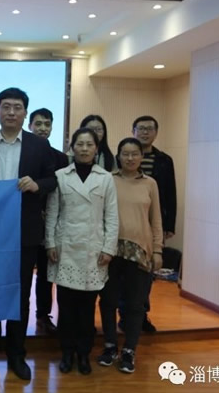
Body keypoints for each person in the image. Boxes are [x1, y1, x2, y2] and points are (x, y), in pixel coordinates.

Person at [0, 88, 57, 381]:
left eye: (17, 107)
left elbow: (52, 179)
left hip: (24, 231)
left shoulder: (39, 146)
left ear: (24, 113)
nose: (11, 112)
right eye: (5, 107)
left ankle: (16, 353)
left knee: (20, 294)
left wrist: (37, 184)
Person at [46, 127, 118, 375]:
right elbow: (52, 213)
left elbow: (112, 217)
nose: (84, 149)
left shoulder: (105, 178)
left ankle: (83, 354)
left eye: (89, 144)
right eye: (80, 144)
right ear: (72, 147)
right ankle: (66, 353)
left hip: (93, 251)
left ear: (96, 148)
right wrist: (50, 243)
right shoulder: (60, 176)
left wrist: (109, 248)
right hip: (65, 248)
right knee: (66, 308)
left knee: (87, 309)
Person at [98, 138, 163, 374]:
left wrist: (157, 249)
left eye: (135, 153)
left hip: (140, 251)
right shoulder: (108, 180)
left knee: (135, 304)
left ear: (141, 157)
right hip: (110, 250)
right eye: (125, 153)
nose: (130, 158)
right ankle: (110, 345)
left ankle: (129, 350)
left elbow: (156, 220)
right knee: (108, 300)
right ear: (118, 156)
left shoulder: (150, 184)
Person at [129, 115, 177, 332]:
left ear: (156, 133)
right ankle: (126, 314)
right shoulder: (125, 155)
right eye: (141, 128)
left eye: (149, 129)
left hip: (152, 225)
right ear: (133, 131)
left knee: (146, 273)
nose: (145, 132)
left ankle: (141, 314)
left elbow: (170, 194)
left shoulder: (164, 160)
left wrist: (168, 226)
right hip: (129, 223)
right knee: (126, 274)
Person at [29, 107, 69, 333]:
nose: (43, 128)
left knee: (46, 273)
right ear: (30, 126)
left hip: (51, 224)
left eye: (47, 124)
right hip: (25, 223)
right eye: (38, 124)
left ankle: (43, 315)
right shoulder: (22, 152)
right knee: (23, 273)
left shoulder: (61, 158)